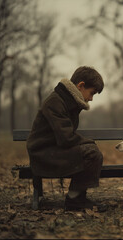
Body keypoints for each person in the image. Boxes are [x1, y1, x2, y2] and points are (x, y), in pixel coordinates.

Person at [26, 66, 104, 210]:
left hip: (53, 149)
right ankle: (74, 200)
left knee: (91, 151)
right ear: (80, 86)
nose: (91, 99)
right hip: (43, 154)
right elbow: (66, 138)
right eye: (91, 93)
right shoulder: (56, 102)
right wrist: (89, 142)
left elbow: (65, 137)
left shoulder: (67, 101)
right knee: (91, 153)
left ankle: (77, 198)